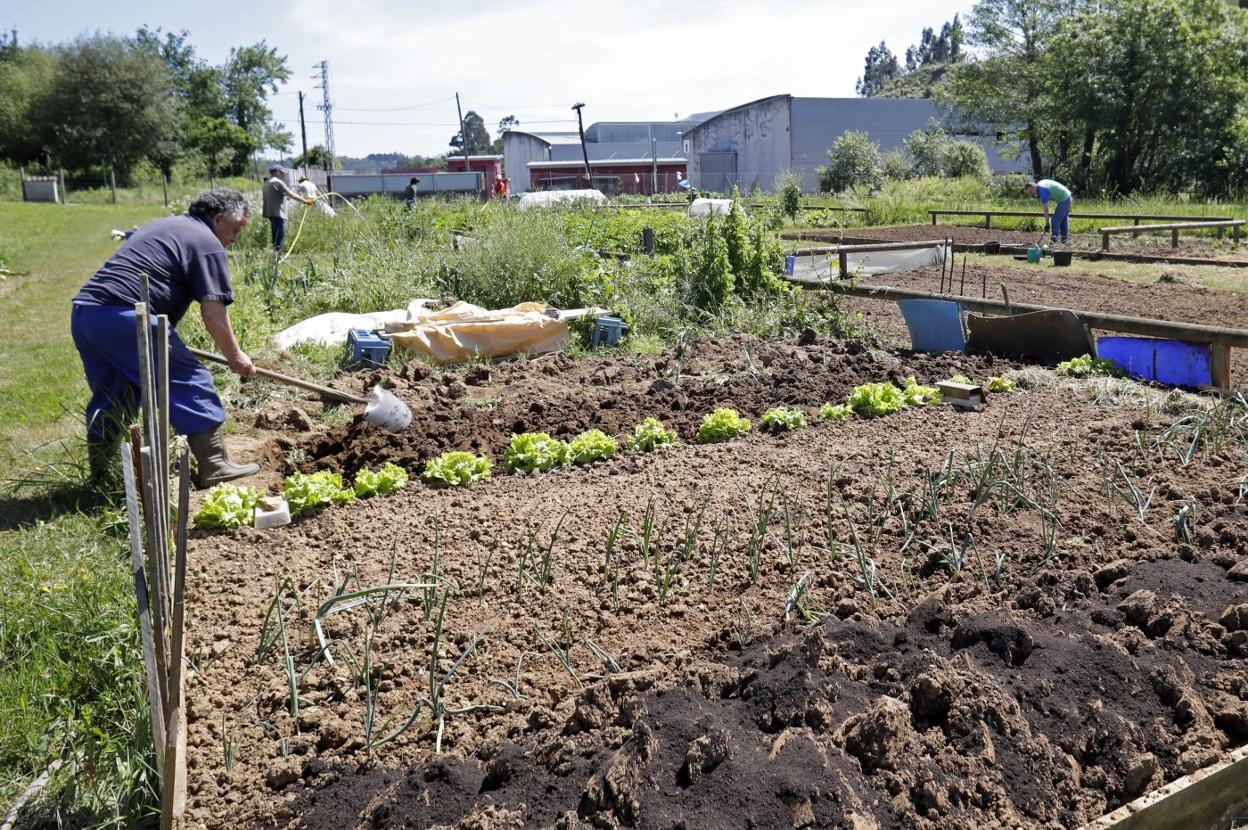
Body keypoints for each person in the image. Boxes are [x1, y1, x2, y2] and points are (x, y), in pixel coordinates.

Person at [71, 188, 260, 489]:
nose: (234, 238)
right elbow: (213, 314)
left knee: (116, 394)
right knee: (189, 379)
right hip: (126, 316)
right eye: (235, 229)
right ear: (219, 218)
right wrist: (236, 358)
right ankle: (214, 464)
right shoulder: (207, 242)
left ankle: (102, 476)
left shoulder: (169, 225)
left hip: (88, 314)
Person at [262, 165, 311, 251]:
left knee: (275, 235)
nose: (283, 175)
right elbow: (291, 194)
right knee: (279, 236)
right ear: (277, 172)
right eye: (281, 173)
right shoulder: (278, 182)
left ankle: (275, 255)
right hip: (278, 213)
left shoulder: (267, 183)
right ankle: (278, 256)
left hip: (270, 213)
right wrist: (305, 201)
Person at [1025, 178, 1073, 245]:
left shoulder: (1042, 191)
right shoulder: (1040, 185)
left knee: (1055, 220)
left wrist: (1047, 224)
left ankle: (1053, 242)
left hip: (1064, 199)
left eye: (1030, 192)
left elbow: (1046, 210)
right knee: (1062, 221)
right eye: (1029, 194)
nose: (1031, 195)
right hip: (1067, 196)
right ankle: (1064, 242)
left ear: (1033, 187)